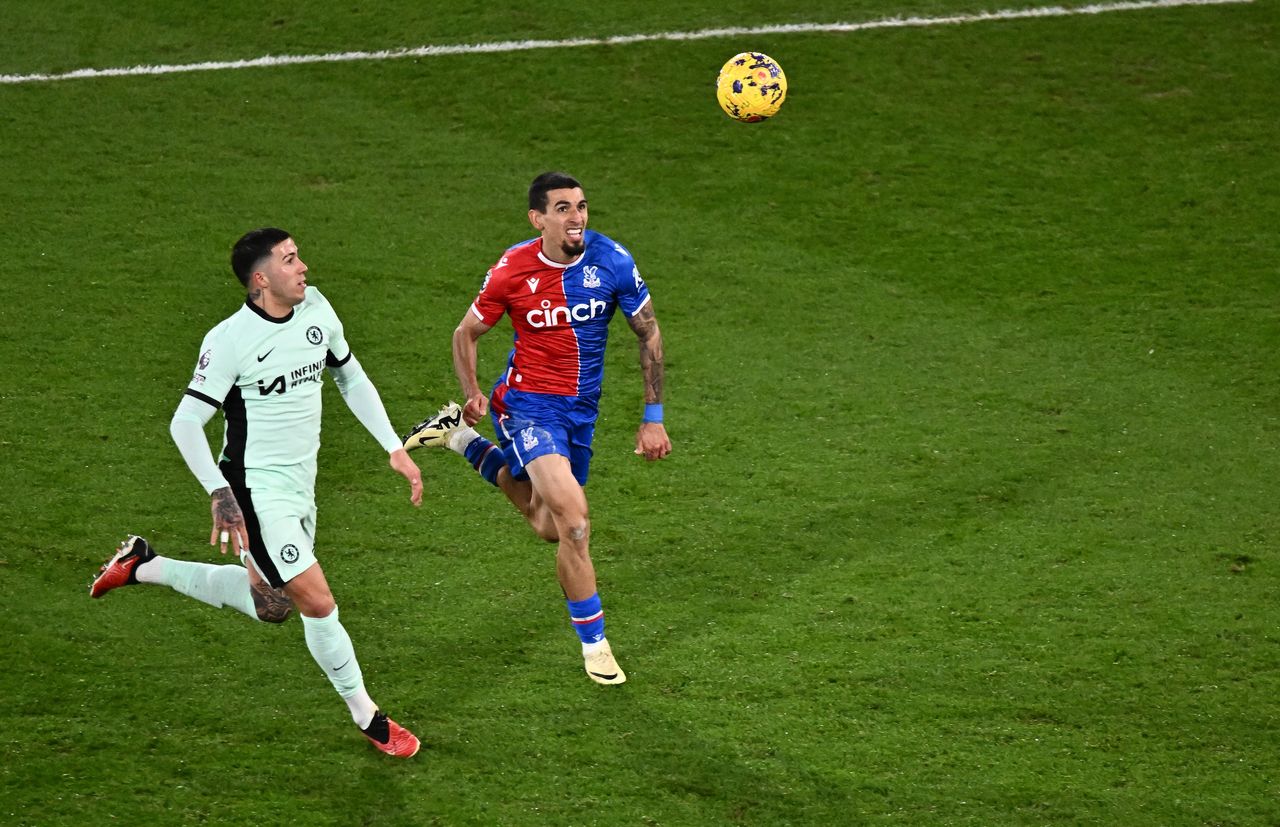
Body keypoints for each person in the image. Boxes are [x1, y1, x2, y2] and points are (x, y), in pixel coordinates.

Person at [90, 228, 425, 757]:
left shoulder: (316, 308)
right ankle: (369, 717)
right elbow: (185, 423)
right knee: (317, 601)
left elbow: (350, 376)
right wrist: (220, 493)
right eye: (290, 260)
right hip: (253, 489)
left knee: (271, 606)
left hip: (301, 484)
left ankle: (143, 565)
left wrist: (393, 446)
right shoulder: (229, 341)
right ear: (261, 279)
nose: (304, 267)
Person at [402, 171, 672, 685]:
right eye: (564, 209)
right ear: (538, 218)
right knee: (575, 521)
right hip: (525, 406)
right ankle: (595, 647)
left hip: (580, 413)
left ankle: (458, 439)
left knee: (551, 527)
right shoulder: (511, 270)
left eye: (582, 206)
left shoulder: (612, 260)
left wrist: (652, 418)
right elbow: (467, 332)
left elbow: (649, 332)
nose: (577, 218)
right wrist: (472, 392)